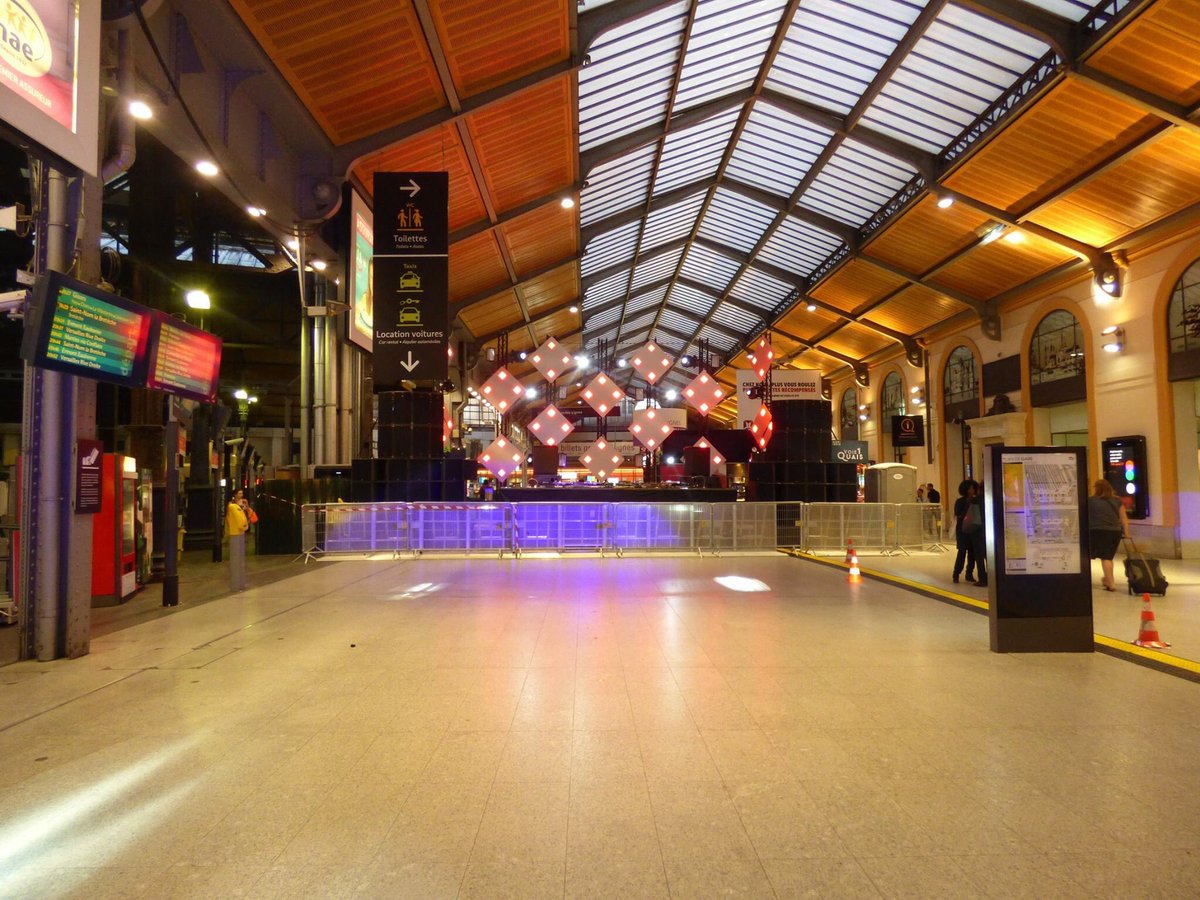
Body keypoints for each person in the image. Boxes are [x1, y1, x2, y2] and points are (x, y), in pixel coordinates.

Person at [1088, 479, 1129, 591]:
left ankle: (1107, 582)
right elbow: (1123, 518)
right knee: (1107, 557)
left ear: (1096, 488)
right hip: (1114, 532)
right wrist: (1127, 532)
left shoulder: (1090, 501)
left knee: (1087, 556)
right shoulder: (1117, 501)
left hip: (1095, 531)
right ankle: (1109, 581)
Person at [952, 480, 981, 584]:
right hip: (962, 530)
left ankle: (969, 573)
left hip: (973, 529)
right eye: (970, 488)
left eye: (973, 488)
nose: (972, 490)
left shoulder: (976, 500)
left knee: (972, 553)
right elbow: (958, 513)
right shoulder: (960, 501)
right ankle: (956, 573)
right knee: (962, 552)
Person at [226, 491, 249, 592]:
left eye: (242, 493)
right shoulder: (231, 506)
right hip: (235, 533)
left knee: (240, 560)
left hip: (240, 533)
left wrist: (244, 507)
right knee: (236, 559)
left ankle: (240, 584)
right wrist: (244, 526)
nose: (241, 495)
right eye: (239, 493)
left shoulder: (239, 506)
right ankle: (236, 585)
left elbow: (244, 519)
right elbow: (240, 522)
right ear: (234, 495)